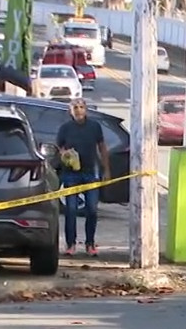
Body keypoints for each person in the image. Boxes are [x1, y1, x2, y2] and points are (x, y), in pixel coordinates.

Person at [55, 98, 110, 257]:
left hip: (90, 172)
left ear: (86, 109)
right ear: (70, 111)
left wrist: (106, 170)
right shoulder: (65, 128)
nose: (78, 110)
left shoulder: (94, 126)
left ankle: (90, 244)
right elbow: (59, 146)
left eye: (81, 107)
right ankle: (70, 244)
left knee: (92, 210)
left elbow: (102, 147)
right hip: (71, 173)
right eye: (75, 107)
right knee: (71, 210)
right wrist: (65, 154)